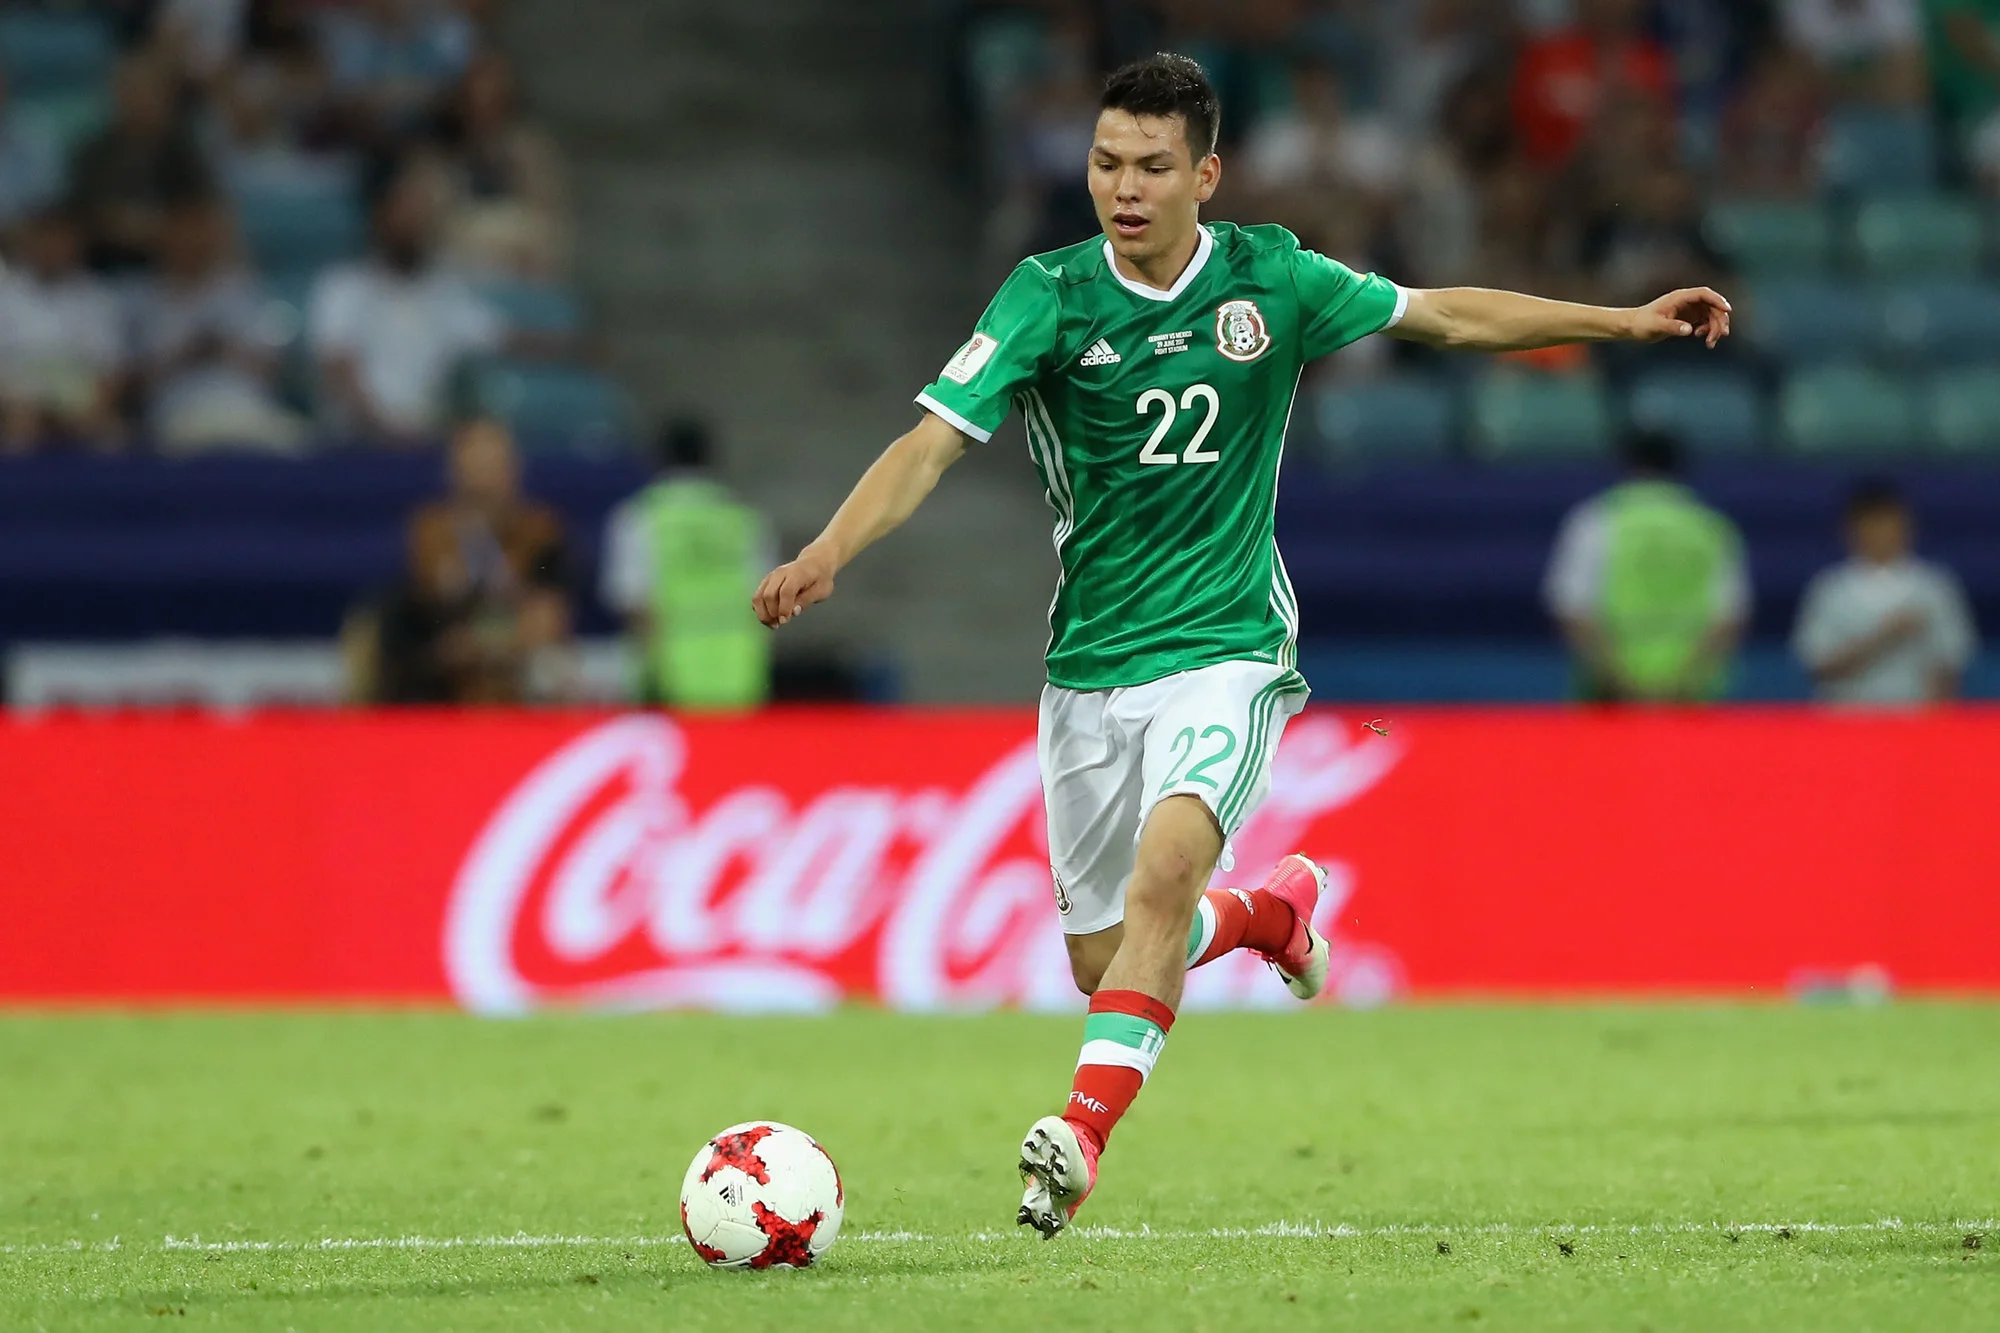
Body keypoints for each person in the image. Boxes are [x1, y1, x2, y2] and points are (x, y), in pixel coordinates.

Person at [752, 54, 1733, 1236]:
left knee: (1165, 873)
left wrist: (1619, 318)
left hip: (1228, 644)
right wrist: (828, 551)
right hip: (1088, 666)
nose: (1123, 187)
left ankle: (1078, 1136)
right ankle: (1270, 916)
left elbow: (1443, 314)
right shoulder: (1046, 295)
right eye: (1105, 162)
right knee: (1107, 956)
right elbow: (928, 443)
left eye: (1151, 166)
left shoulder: (1272, 276)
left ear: (1203, 175)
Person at [1543, 431, 1749, 704]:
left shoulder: (1594, 521)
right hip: (1690, 700)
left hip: (1610, 698)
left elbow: (1573, 611)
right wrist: (1680, 685)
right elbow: (1728, 619)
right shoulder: (1710, 527)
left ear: (1626, 465)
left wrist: (1622, 684)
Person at [308, 165, 506, 442]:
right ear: (380, 217)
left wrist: (565, 346)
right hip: (358, 440)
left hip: (428, 437)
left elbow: (499, 338)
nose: (414, 222)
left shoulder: (448, 292)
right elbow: (337, 368)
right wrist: (384, 428)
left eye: (420, 214)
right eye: (404, 212)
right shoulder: (344, 287)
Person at [381, 416, 572, 703]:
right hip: (441, 662)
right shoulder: (430, 532)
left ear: (513, 471)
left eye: (493, 467)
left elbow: (547, 620)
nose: (484, 481)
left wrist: (482, 645)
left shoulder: (540, 531)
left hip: (511, 655)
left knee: (552, 667)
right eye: (475, 468)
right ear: (454, 473)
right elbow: (425, 608)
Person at [599, 417, 773, 710]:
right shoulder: (745, 521)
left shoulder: (639, 518)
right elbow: (770, 601)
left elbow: (634, 603)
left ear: (658, 458)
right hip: (741, 675)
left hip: (668, 680)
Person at [128, 194, 304, 454]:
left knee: (298, 443)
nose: (193, 241)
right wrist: (187, 354)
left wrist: (224, 349)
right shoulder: (144, 300)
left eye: (200, 231)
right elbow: (134, 384)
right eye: (184, 232)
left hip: (247, 408)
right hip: (180, 414)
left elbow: (272, 369)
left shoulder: (244, 291)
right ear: (165, 237)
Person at [1793, 478, 1978, 705]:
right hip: (1845, 717)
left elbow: (1950, 665)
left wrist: (1935, 719)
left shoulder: (1934, 586)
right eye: (1871, 523)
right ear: (1851, 528)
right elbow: (1819, 665)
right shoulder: (1829, 588)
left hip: (1914, 717)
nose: (1881, 533)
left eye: (1888, 522)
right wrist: (1885, 637)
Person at [0, 207, 126, 453]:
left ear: (76, 244)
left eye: (60, 239)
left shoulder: (98, 298)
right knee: (21, 425)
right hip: (17, 397)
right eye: (44, 238)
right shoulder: (6, 295)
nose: (51, 247)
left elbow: (113, 370)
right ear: (28, 242)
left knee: (113, 435)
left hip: (81, 397)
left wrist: (92, 409)